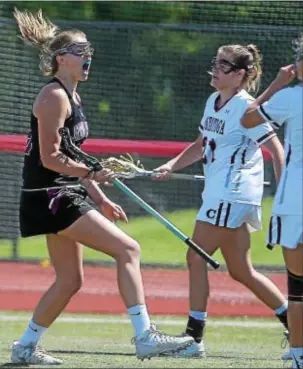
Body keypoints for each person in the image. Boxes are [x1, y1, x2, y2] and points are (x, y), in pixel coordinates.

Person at [12, 8, 194, 365]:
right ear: (61, 59)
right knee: (128, 250)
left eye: (89, 51)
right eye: (81, 51)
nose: (88, 57)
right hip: (50, 196)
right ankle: (144, 336)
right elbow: (49, 159)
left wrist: (101, 197)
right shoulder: (54, 97)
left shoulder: (73, 96)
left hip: (63, 192)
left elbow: (73, 154)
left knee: (69, 280)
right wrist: (93, 176)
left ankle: (24, 348)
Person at [153, 44, 289, 358]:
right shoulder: (213, 102)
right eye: (216, 62)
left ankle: (192, 339)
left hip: (233, 193)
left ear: (240, 75)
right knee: (241, 271)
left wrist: (281, 198)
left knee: (195, 257)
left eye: (225, 65)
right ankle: (296, 325)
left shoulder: (246, 108)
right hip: (220, 194)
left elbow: (277, 152)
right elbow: (201, 144)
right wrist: (171, 166)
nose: (216, 69)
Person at [241, 34, 303, 368]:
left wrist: (277, 84)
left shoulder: (291, 96)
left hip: (295, 200)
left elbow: (248, 117)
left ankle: (298, 356)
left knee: (298, 285)